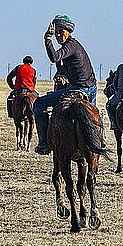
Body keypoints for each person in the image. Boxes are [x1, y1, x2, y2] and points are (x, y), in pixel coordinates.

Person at [33, 15, 97, 155]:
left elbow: (54, 57)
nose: (58, 35)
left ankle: (44, 143)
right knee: (94, 117)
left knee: (38, 104)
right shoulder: (73, 46)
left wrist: (47, 39)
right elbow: (69, 67)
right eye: (56, 32)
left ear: (69, 31)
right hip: (91, 87)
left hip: (77, 89)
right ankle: (99, 140)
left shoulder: (70, 45)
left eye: (61, 31)